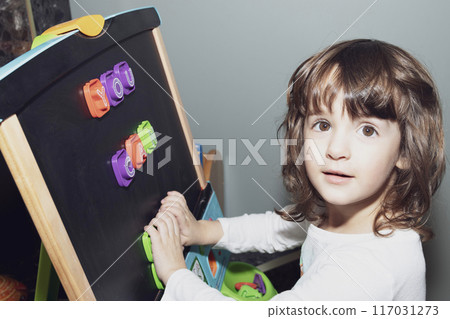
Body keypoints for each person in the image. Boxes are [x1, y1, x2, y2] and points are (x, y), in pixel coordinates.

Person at [144, 39, 446, 300]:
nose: (335, 149)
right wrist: (202, 230)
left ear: (405, 151)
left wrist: (175, 274)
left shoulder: (366, 269)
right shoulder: (348, 212)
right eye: (323, 125)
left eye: (367, 130)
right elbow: (281, 227)